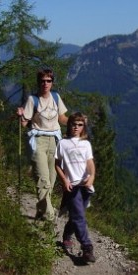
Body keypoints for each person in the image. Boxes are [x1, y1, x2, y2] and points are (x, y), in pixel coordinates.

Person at [17, 68, 68, 221]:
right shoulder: (33, 100)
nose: (45, 83)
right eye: (42, 81)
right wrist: (20, 115)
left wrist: (76, 121)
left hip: (54, 141)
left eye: (48, 80)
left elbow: (62, 118)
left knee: (51, 179)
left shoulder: (56, 97)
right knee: (43, 179)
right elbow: (25, 123)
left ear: (52, 82)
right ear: (38, 82)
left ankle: (41, 211)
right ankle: (50, 216)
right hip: (38, 140)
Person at [55, 112, 96, 263]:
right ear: (69, 125)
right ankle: (87, 248)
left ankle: (66, 236)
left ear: (83, 127)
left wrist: (91, 177)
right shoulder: (63, 144)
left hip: (85, 186)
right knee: (79, 217)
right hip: (72, 186)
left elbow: (90, 163)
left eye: (80, 125)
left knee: (76, 216)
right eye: (73, 124)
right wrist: (64, 180)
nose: (76, 127)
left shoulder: (86, 144)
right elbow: (57, 164)